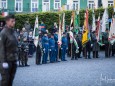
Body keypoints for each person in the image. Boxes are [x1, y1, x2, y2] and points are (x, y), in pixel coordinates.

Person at [0, 15, 18, 86]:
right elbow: (1, 48)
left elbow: (15, 46)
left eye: (14, 21)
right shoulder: (3, 33)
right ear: (7, 22)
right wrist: (3, 61)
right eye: (12, 21)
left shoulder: (13, 32)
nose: (14, 22)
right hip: (6, 60)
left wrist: (17, 58)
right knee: (5, 81)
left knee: (11, 80)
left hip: (13, 59)